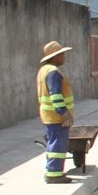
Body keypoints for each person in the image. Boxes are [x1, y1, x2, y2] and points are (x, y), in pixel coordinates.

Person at [37, 40, 74, 184]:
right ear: (54, 57)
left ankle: (52, 170)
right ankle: (54, 173)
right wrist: (63, 113)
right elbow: (56, 95)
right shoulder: (52, 72)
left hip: (49, 115)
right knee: (58, 144)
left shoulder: (43, 70)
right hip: (56, 115)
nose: (64, 56)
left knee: (53, 143)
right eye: (61, 54)